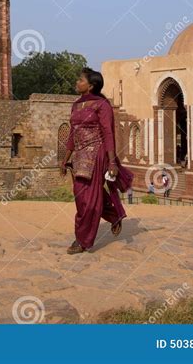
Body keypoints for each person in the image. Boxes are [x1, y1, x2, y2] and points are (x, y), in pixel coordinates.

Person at [60, 67, 134, 254]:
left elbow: (108, 133)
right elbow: (72, 134)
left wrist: (112, 162)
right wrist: (65, 159)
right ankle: (114, 214)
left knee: (90, 200)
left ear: (91, 85)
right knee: (81, 198)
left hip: (97, 153)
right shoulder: (76, 105)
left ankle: (82, 241)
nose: (77, 82)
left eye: (80, 80)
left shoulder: (102, 105)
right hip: (80, 156)